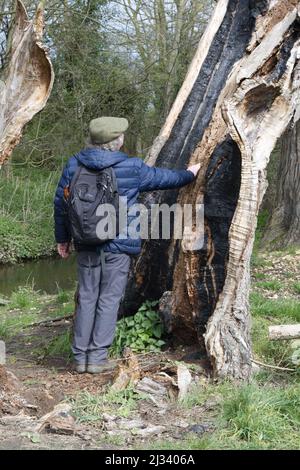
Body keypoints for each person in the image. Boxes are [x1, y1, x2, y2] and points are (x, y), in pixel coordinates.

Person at [54, 116, 200, 374]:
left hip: (86, 243)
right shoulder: (131, 167)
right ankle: (97, 359)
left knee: (87, 297)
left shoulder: (73, 164)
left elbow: (61, 204)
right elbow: (163, 178)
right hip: (117, 245)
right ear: (117, 141)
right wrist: (190, 174)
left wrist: (62, 239)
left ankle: (80, 359)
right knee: (109, 300)